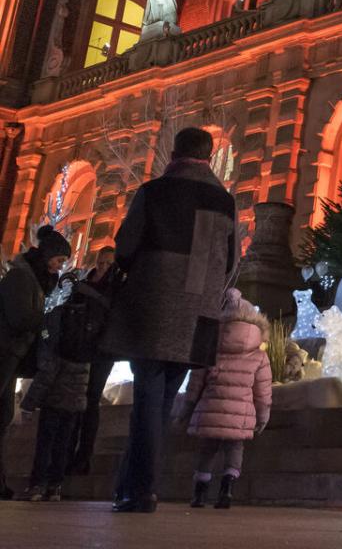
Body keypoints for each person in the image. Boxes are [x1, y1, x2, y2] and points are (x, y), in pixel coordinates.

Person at [101, 127, 238, 513]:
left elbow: (125, 248)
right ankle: (134, 486)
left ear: (174, 153)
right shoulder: (224, 200)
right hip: (198, 313)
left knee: (147, 397)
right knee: (160, 401)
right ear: (209, 157)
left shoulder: (154, 191)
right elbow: (230, 261)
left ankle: (139, 489)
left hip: (153, 303)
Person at [178, 288, 272, 510]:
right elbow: (263, 391)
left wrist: (185, 409)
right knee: (235, 449)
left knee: (207, 449)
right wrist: (263, 415)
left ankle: (199, 494)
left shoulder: (212, 348)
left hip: (211, 409)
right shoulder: (259, 355)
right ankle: (226, 489)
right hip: (240, 415)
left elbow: (195, 383)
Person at [0, 226, 70, 500]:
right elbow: (19, 318)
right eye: (59, 260)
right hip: (4, 352)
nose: (60, 266)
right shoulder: (21, 277)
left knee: (3, 418)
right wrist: (46, 323)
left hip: (12, 356)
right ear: (47, 255)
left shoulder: (35, 280)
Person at [20, 278, 92, 501]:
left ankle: (38, 485)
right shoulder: (86, 331)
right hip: (75, 399)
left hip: (54, 398)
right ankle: (55, 485)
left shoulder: (57, 325)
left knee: (46, 442)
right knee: (63, 443)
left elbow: (47, 372)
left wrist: (28, 404)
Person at [68, 245, 118, 476]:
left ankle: (83, 456)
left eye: (108, 263)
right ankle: (69, 453)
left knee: (91, 398)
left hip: (102, 349)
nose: (103, 267)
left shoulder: (115, 286)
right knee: (77, 399)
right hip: (81, 347)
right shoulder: (85, 284)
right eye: (101, 262)